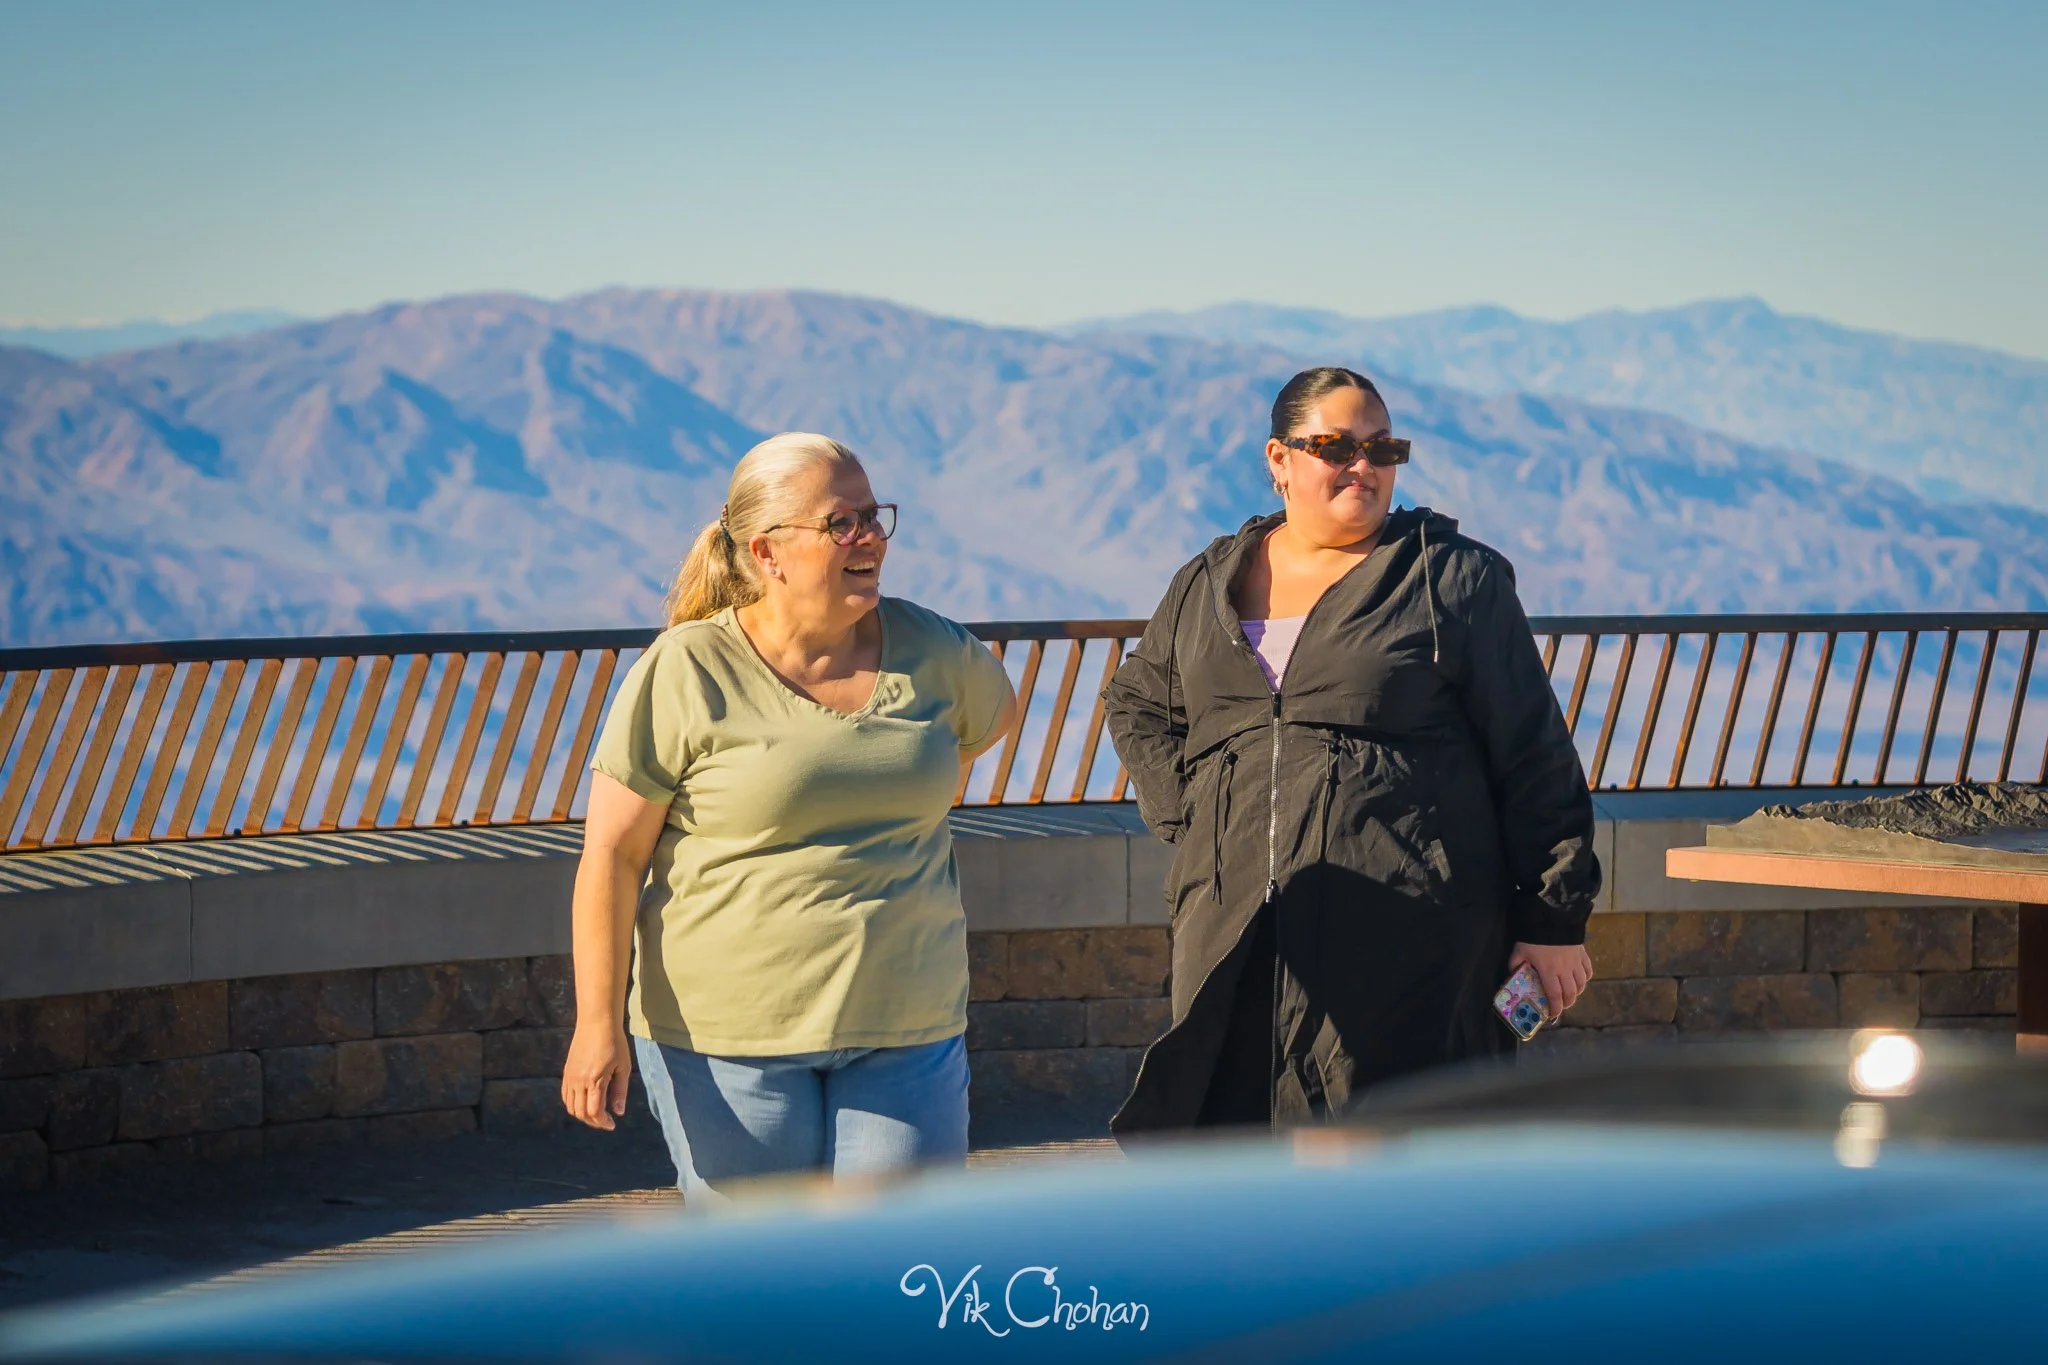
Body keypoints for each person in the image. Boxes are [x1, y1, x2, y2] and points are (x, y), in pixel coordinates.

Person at [1104, 367, 1601, 1135]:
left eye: (1384, 449)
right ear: (1279, 458)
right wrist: (1196, 821)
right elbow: (1137, 700)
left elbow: (1534, 755)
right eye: (1337, 447)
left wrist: (1553, 919)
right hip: (1234, 934)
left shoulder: (1449, 580)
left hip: (1409, 942)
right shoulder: (1207, 584)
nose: (1364, 466)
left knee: (1383, 1163)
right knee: (1230, 1156)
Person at [560, 433, 1016, 1200]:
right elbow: (612, 855)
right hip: (726, 1039)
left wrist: (885, 796)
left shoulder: (936, 650)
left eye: (873, 516)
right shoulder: (687, 668)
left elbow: (990, 722)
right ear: (767, 552)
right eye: (842, 523)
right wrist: (595, 1024)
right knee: (763, 1269)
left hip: (907, 1022)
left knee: (894, 1260)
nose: (870, 537)